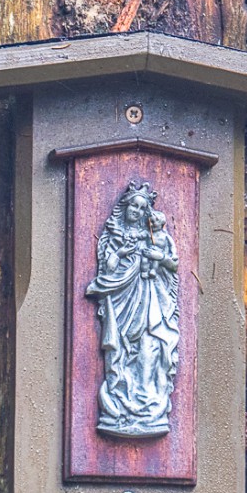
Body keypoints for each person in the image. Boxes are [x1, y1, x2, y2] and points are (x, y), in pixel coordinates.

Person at [85, 182, 180, 438]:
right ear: (125, 207)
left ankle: (148, 404)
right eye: (133, 206)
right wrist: (123, 252)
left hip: (149, 298)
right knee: (121, 350)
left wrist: (157, 258)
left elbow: (171, 266)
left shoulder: (155, 238)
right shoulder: (112, 235)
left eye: (141, 207)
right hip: (121, 301)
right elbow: (107, 270)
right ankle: (119, 402)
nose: (136, 211)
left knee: (149, 347)